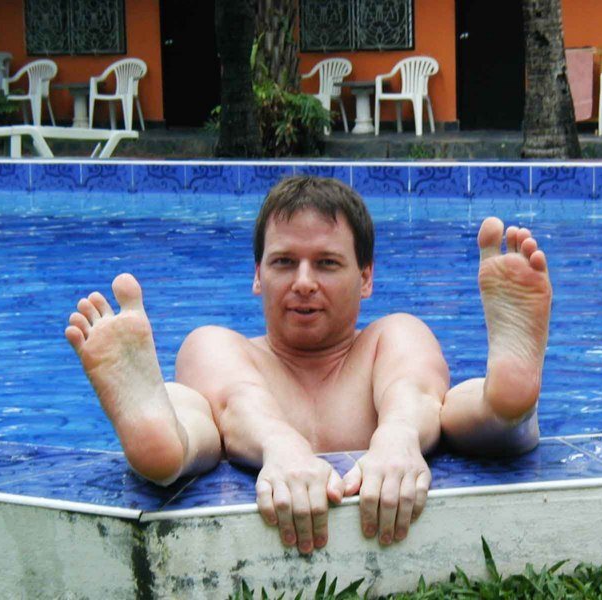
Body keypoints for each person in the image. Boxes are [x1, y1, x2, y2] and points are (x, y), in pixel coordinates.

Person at [65, 175, 551, 555]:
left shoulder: (384, 341)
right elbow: (237, 401)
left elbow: (413, 391)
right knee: (201, 378)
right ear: (258, 276)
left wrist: (398, 437)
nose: (302, 282)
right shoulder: (229, 351)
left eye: (326, 263)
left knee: (435, 393)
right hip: (241, 418)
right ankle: (161, 441)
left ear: (366, 278)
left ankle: (507, 402)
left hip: (404, 417)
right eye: (283, 262)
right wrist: (282, 446)